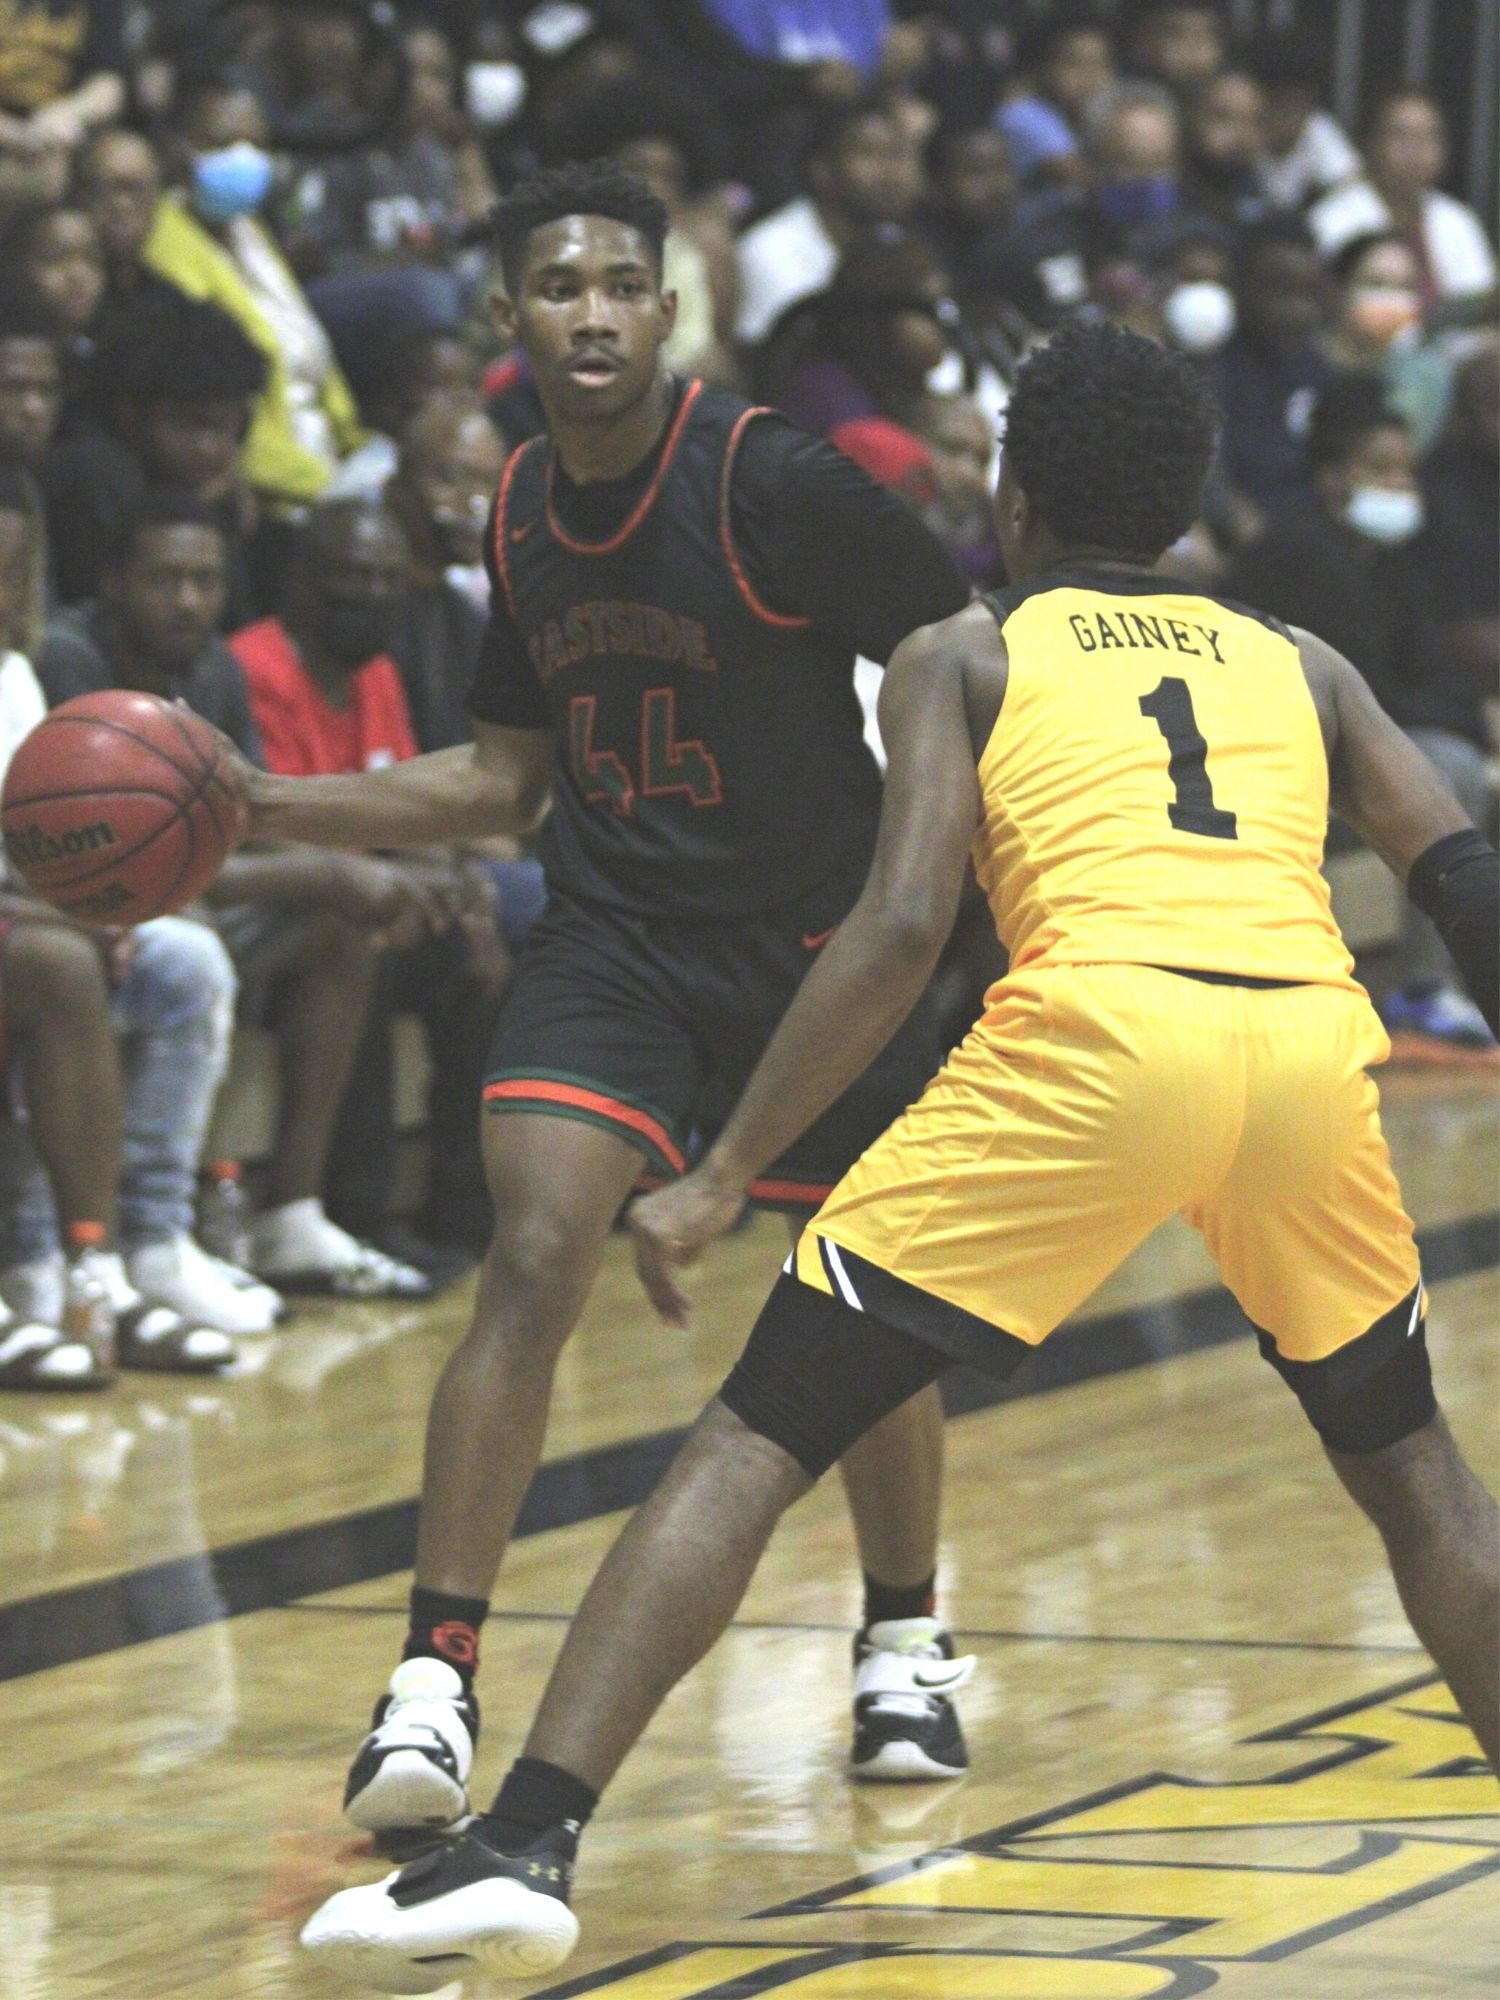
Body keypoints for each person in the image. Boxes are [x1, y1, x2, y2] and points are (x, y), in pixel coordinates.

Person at [298, 315, 1500, 1994]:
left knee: (752, 1436)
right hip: (1305, 1048)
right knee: (1417, 1474)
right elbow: (1462, 884)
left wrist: (725, 1174)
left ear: (1007, 493)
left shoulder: (965, 651)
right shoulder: (1304, 660)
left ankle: (525, 1843)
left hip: (1099, 1042)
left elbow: (897, 925)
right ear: (1186, 500)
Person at [224, 158, 976, 1837]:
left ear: (664, 308)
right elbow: (498, 786)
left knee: (859, 1287)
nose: (590, 312)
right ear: (508, 316)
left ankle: (906, 1634)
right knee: (536, 1247)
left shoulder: (773, 478)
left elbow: (960, 638)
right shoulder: (515, 509)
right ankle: (433, 1676)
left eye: (621, 286)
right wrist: (264, 800)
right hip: (619, 942)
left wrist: (932, 873)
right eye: (558, 285)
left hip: (810, 950)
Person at [0, 476, 244, 1374]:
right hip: (27, 936)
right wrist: (64, 917)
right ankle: (40, 1262)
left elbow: (46, 842)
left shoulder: (15, 672)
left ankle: (140, 1250)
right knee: (60, 968)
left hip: (27, 922)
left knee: (185, 961)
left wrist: (96, 902)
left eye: (13, 572)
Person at [1227, 377, 1495, 1059]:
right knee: (1450, 762)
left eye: (1406, 469)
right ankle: (1424, 984)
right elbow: (1366, 695)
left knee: (1455, 750)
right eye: (1380, 468)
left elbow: (1439, 676)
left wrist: (1465, 714)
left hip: (1337, 745)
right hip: (1255, 756)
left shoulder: (1391, 561)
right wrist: (1460, 719)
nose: (1401, 485)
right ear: (1330, 479)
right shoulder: (1304, 555)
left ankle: (1428, 986)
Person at [139, 75, 364, 510]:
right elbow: (234, 422)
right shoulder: (165, 247)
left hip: (326, 460)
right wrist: (332, 487)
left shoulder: (250, 232)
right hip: (281, 488)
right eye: (222, 142)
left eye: (256, 143)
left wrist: (361, 451)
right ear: (177, 149)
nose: (244, 157)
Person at [39, 290, 272, 617]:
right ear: (130, 416)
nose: (205, 448)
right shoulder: (92, 474)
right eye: (186, 426)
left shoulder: (214, 488)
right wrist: (198, 512)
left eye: (220, 427)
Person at [734, 98, 923, 346]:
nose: (891, 172)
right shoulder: (769, 249)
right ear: (821, 170)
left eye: (897, 154)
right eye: (869, 153)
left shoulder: (896, 241)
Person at [1308, 91, 1498, 312]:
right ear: (1370, 144)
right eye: (1401, 135)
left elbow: (1478, 300)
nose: (1416, 150)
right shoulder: (1331, 218)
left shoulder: (1457, 218)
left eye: (1429, 137)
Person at [1211, 215, 1331, 537]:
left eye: (1307, 293)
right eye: (1281, 291)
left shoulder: (1323, 376)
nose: (1297, 310)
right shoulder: (1213, 371)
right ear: (1242, 287)